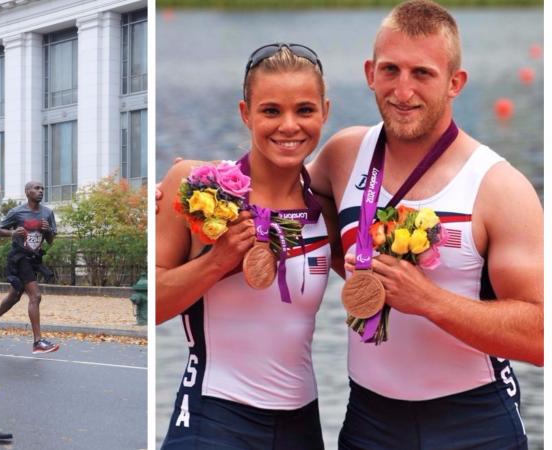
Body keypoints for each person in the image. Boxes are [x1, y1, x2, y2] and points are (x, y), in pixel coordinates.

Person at [305, 1, 542, 448]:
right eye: (391, 70)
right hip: (369, 421)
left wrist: (429, 301)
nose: (403, 90)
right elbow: (280, 200)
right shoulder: (343, 154)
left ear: (455, 83)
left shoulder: (498, 187)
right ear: (370, 72)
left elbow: (540, 336)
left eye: (423, 74)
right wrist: (197, 179)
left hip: (473, 422)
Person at [156, 43, 341, 449]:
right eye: (271, 111)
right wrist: (217, 262)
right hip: (216, 417)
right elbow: (149, 308)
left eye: (305, 110)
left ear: (324, 112)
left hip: (302, 425)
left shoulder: (326, 209)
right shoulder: (198, 188)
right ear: (246, 113)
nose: (289, 126)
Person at [0, 181, 60, 354]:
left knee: (14, 295)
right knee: (36, 296)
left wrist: (48, 230)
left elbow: (50, 241)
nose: (41, 191)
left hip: (34, 258)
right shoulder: (17, 212)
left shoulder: (47, 213)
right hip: (19, 258)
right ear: (27, 192)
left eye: (42, 188)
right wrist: (13, 233)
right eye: (37, 188)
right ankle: (38, 342)